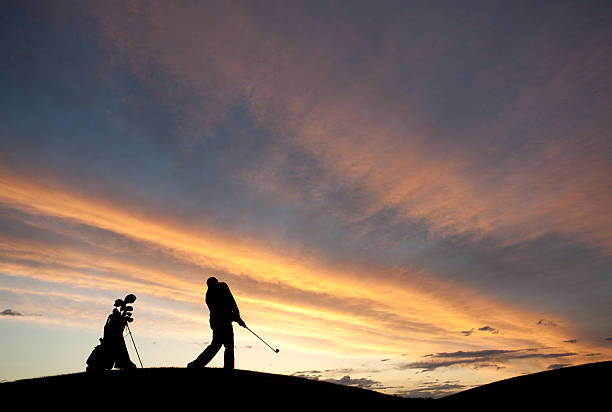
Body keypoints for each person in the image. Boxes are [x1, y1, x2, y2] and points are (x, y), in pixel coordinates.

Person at [188, 276, 246, 369]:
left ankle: (197, 365)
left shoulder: (218, 289)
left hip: (220, 322)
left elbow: (230, 302)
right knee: (222, 346)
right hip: (220, 323)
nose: (214, 285)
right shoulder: (213, 292)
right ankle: (197, 365)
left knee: (222, 346)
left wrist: (237, 317)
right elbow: (224, 307)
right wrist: (237, 318)